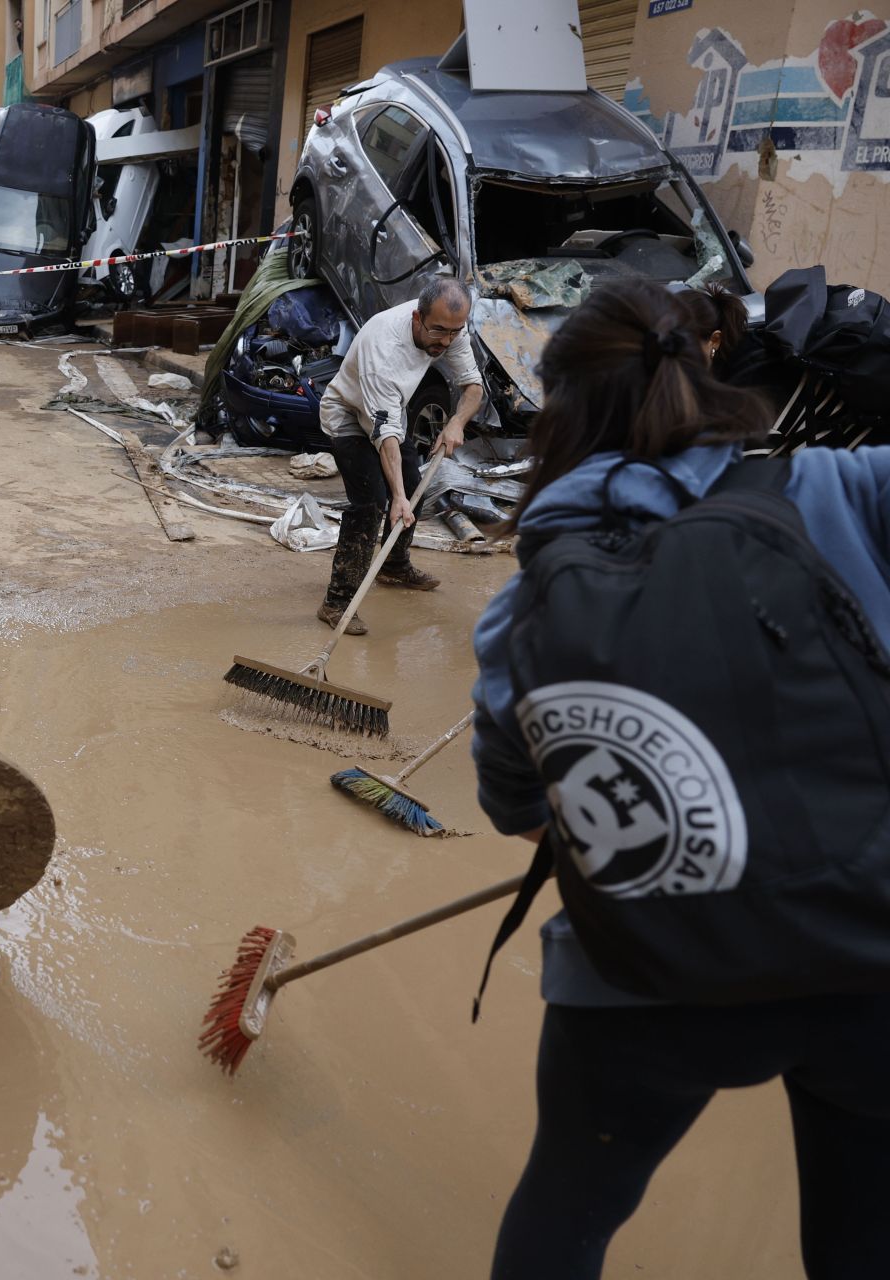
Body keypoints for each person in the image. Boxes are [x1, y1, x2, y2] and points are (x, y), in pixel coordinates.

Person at [471, 278, 890, 1277]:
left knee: (567, 1207)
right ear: (708, 368)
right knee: (863, 1238)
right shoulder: (844, 492)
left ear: (561, 413)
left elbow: (522, 811)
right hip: (864, 951)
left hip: (642, 979)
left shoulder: (527, 600)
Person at [316, 278, 483, 634]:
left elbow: (473, 386)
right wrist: (397, 499)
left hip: (391, 412)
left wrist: (456, 422)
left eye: (454, 332)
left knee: (413, 484)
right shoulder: (384, 348)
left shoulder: (449, 327)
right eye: (438, 331)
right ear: (416, 318)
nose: (445, 341)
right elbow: (384, 434)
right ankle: (337, 601)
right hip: (347, 414)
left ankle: (394, 564)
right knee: (373, 503)